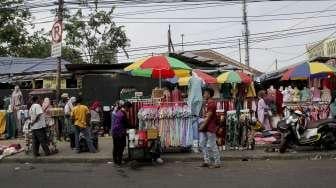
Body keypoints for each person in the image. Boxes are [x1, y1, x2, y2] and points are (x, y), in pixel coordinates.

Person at [199, 87, 220, 168]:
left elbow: (208, 117)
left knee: (212, 145)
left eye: (204, 93)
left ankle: (217, 162)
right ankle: (207, 161)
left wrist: (202, 126)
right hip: (207, 127)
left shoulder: (211, 104)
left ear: (208, 93)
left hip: (210, 127)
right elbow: (207, 116)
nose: (203, 95)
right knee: (202, 144)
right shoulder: (208, 103)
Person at [111, 101, 132, 166]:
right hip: (119, 133)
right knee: (121, 147)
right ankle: (119, 162)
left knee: (116, 147)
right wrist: (133, 127)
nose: (129, 110)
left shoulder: (118, 112)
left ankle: (115, 161)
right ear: (126, 107)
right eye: (129, 108)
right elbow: (126, 124)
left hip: (114, 132)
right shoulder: (123, 114)